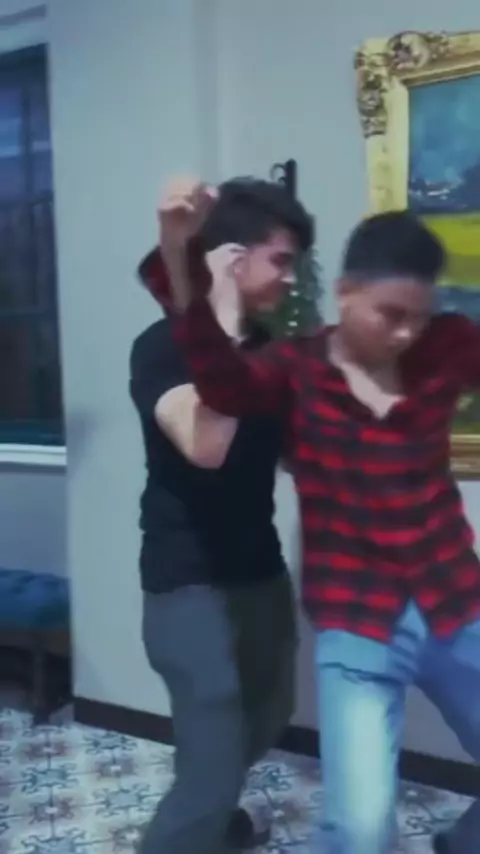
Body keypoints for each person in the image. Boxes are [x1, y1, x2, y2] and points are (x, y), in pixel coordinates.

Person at [159, 181, 480, 854]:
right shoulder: (294, 367)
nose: (405, 333)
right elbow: (221, 385)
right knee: (359, 831)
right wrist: (180, 254)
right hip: (358, 621)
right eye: (389, 314)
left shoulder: (447, 345)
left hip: (454, 601)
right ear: (345, 292)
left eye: (419, 318)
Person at [129, 176, 314, 854]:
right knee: (208, 769)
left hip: (259, 573)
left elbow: (294, 451)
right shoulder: (162, 346)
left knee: (268, 714)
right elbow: (207, 446)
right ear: (232, 260)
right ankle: (198, 818)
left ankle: (208, 818)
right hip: (187, 584)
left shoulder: (273, 353)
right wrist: (224, 322)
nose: (290, 279)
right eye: (281, 260)